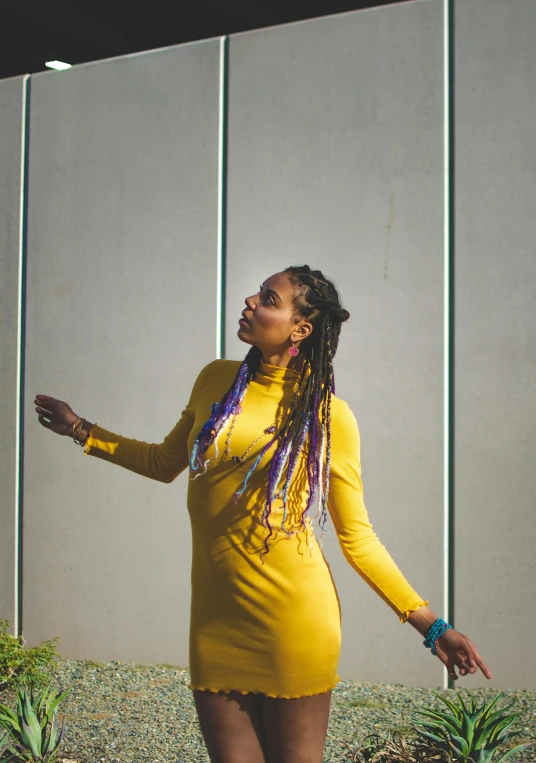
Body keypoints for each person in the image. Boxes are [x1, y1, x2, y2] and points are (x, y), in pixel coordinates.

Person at [35, 265, 492, 763]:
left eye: (269, 299)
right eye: (258, 293)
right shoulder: (214, 379)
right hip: (216, 621)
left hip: (293, 622)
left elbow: (357, 538)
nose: (251, 301)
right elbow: (164, 462)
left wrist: (431, 626)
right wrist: (81, 429)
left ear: (301, 329)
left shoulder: (328, 416)